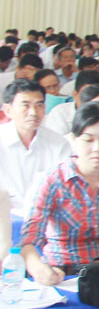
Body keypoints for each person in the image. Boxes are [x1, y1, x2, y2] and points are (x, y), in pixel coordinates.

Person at [19, 101, 99, 283]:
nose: (97, 148)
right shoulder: (53, 180)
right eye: (88, 140)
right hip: (61, 273)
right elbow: (30, 237)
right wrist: (37, 269)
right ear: (74, 140)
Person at [0, 79, 72, 214]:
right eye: (25, 105)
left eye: (39, 105)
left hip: (45, 216)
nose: (33, 112)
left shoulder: (58, 143)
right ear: (8, 110)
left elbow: (65, 188)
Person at [44, 70, 99, 137]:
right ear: (75, 95)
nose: (91, 101)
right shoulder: (60, 113)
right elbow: (57, 141)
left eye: (96, 97)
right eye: (86, 95)